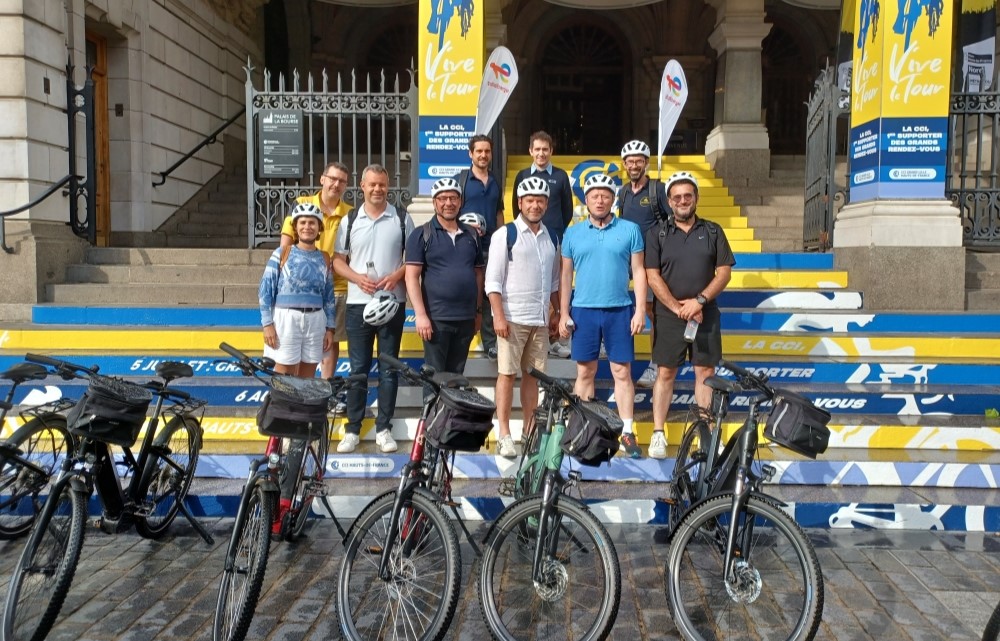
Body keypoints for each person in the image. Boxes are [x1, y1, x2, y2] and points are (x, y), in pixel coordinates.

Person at [644, 171, 735, 459]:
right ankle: (658, 433)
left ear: (696, 198)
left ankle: (705, 434)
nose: (682, 201)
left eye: (688, 196)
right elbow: (652, 276)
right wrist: (678, 308)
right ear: (669, 201)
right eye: (677, 197)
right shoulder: (656, 234)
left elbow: (724, 273)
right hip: (669, 315)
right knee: (665, 372)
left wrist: (699, 302)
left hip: (704, 313)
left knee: (705, 373)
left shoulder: (713, 231)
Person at [258, 202, 336, 533]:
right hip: (286, 319)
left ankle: (295, 441)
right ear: (295, 226)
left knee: (304, 386)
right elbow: (265, 290)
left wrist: (330, 327)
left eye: (312, 223)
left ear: (319, 229)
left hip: (314, 320)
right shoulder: (282, 253)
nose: (307, 227)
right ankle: (276, 440)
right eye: (302, 223)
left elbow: (329, 295)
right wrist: (267, 323)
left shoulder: (324, 259)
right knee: (284, 381)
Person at [559, 173, 647, 459]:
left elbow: (639, 271)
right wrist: (563, 312)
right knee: (585, 372)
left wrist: (640, 309)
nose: (600, 200)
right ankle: (583, 428)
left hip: (619, 309)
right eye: (594, 195)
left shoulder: (630, 229)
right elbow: (565, 275)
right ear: (586, 200)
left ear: (613, 199)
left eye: (605, 195)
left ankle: (628, 431)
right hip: (583, 311)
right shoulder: (572, 233)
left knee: (622, 372)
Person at [332, 164, 414, 454]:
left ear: (388, 186)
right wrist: (357, 278)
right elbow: (337, 260)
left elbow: (413, 259)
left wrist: (396, 275)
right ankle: (353, 429)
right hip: (358, 304)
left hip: (392, 303)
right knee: (358, 369)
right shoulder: (350, 219)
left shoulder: (402, 218)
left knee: (389, 368)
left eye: (382, 184)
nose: (377, 189)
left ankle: (383, 428)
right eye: (372, 184)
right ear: (363, 186)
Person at [485, 176, 560, 458]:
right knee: (506, 375)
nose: (535, 205)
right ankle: (504, 433)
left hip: (539, 320)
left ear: (546, 204)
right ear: (519, 203)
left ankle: (529, 432)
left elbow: (554, 283)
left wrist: (557, 312)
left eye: (540, 201)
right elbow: (492, 281)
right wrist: (498, 316)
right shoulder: (505, 234)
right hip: (512, 318)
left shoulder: (552, 237)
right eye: (530, 200)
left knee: (533, 377)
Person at [406, 177, 485, 391]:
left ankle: (451, 414)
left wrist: (478, 312)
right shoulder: (421, 234)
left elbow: (478, 274)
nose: (448, 203)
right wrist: (420, 315)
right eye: (442, 198)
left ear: (460, 202)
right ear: (434, 202)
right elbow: (411, 277)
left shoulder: (471, 234)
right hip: (436, 320)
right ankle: (431, 414)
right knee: (434, 377)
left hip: (465, 319)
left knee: (456, 379)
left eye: (453, 198)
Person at [280, 161, 352, 379]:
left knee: (331, 340)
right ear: (322, 179)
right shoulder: (301, 203)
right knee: (298, 344)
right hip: (303, 287)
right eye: (332, 179)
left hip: (337, 287)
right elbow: (285, 247)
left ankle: (325, 388)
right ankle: (295, 389)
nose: (336, 184)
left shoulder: (350, 213)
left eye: (342, 181)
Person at [510, 130, 573, 359]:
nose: (541, 153)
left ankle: (556, 339)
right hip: (528, 241)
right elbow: (516, 208)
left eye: (545, 149)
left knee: (555, 287)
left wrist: (554, 233)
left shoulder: (561, 176)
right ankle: (538, 340)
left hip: (554, 241)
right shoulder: (522, 175)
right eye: (537, 149)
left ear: (551, 151)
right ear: (530, 151)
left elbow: (567, 210)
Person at [618, 140, 672, 390]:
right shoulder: (622, 192)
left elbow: (672, 222)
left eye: (639, 161)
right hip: (627, 259)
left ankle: (655, 363)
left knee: (652, 311)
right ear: (624, 164)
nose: (634, 165)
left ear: (646, 163)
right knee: (616, 303)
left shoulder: (657, 189)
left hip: (652, 261)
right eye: (630, 161)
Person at [458, 134, 504, 361]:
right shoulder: (462, 180)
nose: (483, 155)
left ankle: (489, 343)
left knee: (488, 294)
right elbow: (450, 211)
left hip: (490, 247)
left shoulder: (495, 180)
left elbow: (498, 212)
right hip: (465, 247)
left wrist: (503, 238)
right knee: (466, 291)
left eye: (487, 151)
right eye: (479, 151)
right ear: (471, 154)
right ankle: (462, 340)